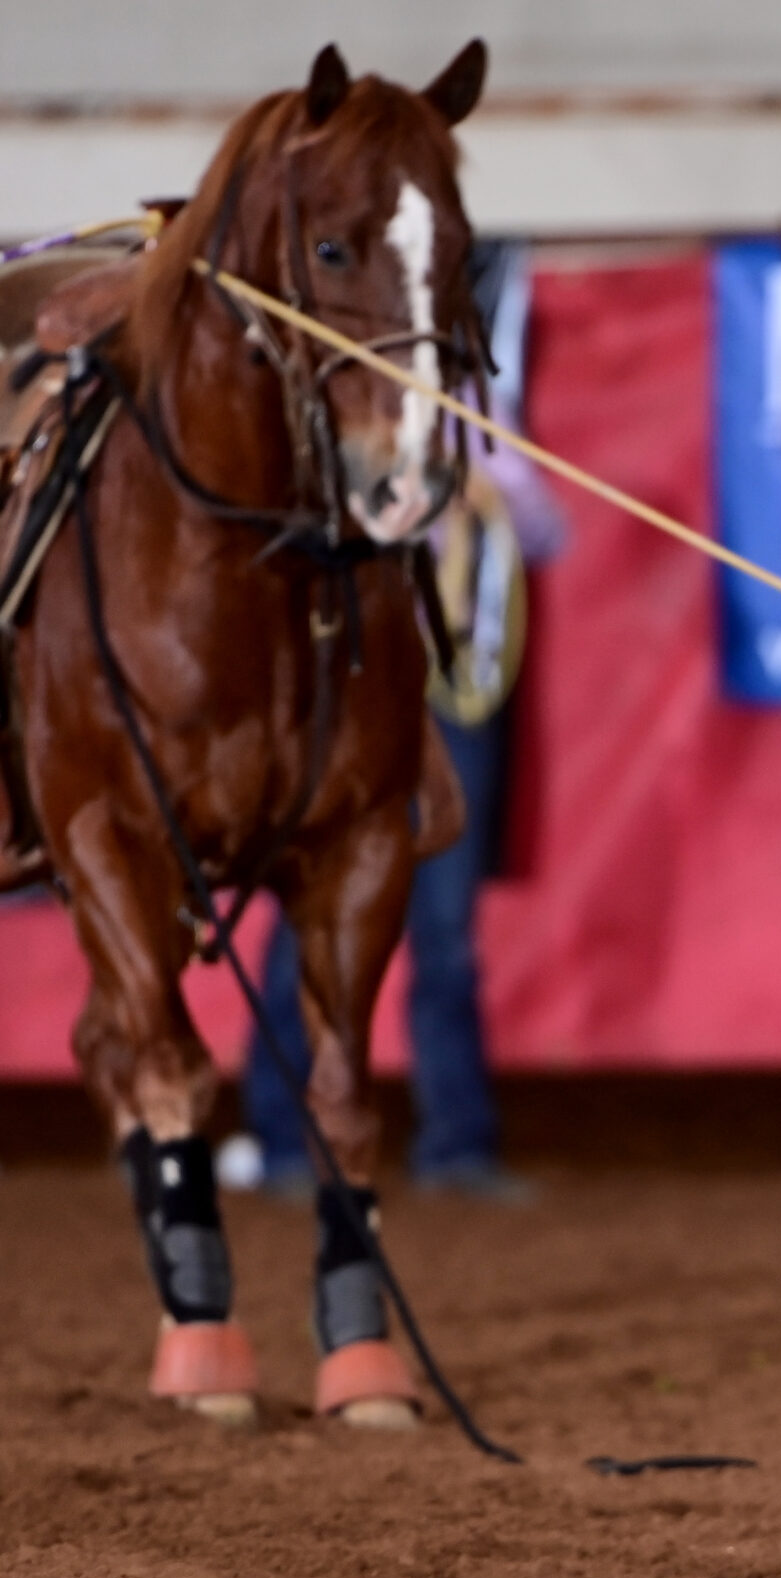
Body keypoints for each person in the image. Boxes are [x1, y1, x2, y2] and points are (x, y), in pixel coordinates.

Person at [238, 241, 564, 1201]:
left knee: (445, 932)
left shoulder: (476, 418)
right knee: (313, 913)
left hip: (447, 699)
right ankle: (285, 1140)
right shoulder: (326, 417)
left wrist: (488, 484)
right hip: (344, 699)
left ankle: (457, 1146)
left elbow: (546, 532)